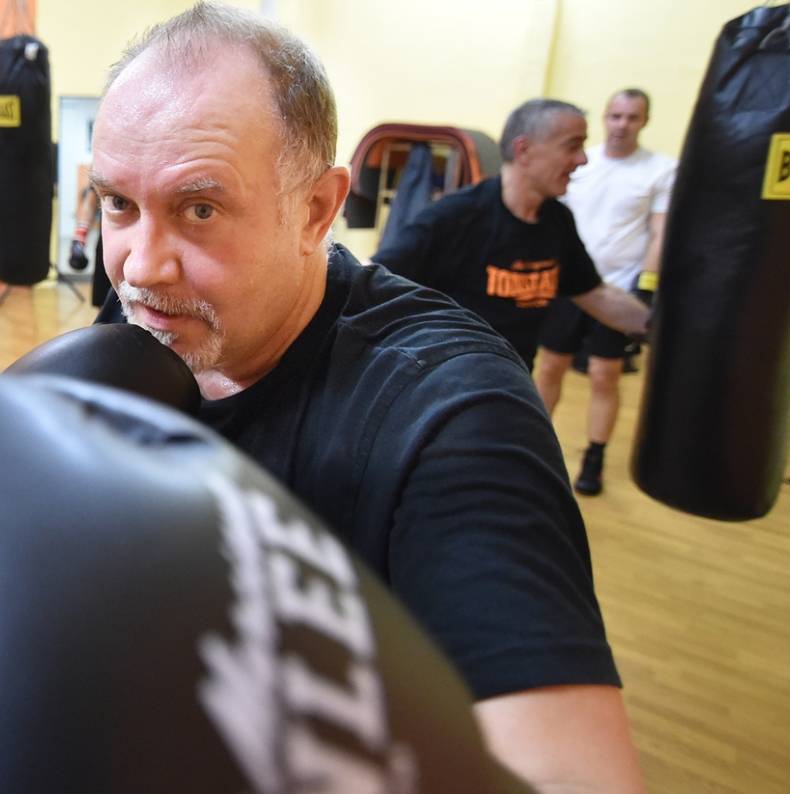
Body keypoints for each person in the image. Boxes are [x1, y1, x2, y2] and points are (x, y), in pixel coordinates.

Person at [90, 4, 642, 790]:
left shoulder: (451, 415)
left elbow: (567, 774)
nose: (140, 267)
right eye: (118, 203)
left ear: (316, 208)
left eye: (199, 209)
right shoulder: (141, 315)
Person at [371, 98, 649, 372]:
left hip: (510, 377)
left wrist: (660, 328)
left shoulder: (557, 219)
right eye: (573, 146)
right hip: (448, 382)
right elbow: (374, 282)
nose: (583, 159)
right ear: (524, 150)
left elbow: (595, 294)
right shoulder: (456, 216)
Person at [535, 89, 675, 496]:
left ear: (644, 121)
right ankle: (537, 448)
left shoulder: (660, 170)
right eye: (615, 116)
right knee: (549, 368)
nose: (622, 125)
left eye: (631, 117)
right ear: (604, 118)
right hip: (567, 283)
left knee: (603, 374)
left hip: (618, 285)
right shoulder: (583, 163)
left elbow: (660, 233)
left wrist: (647, 287)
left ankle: (594, 456)